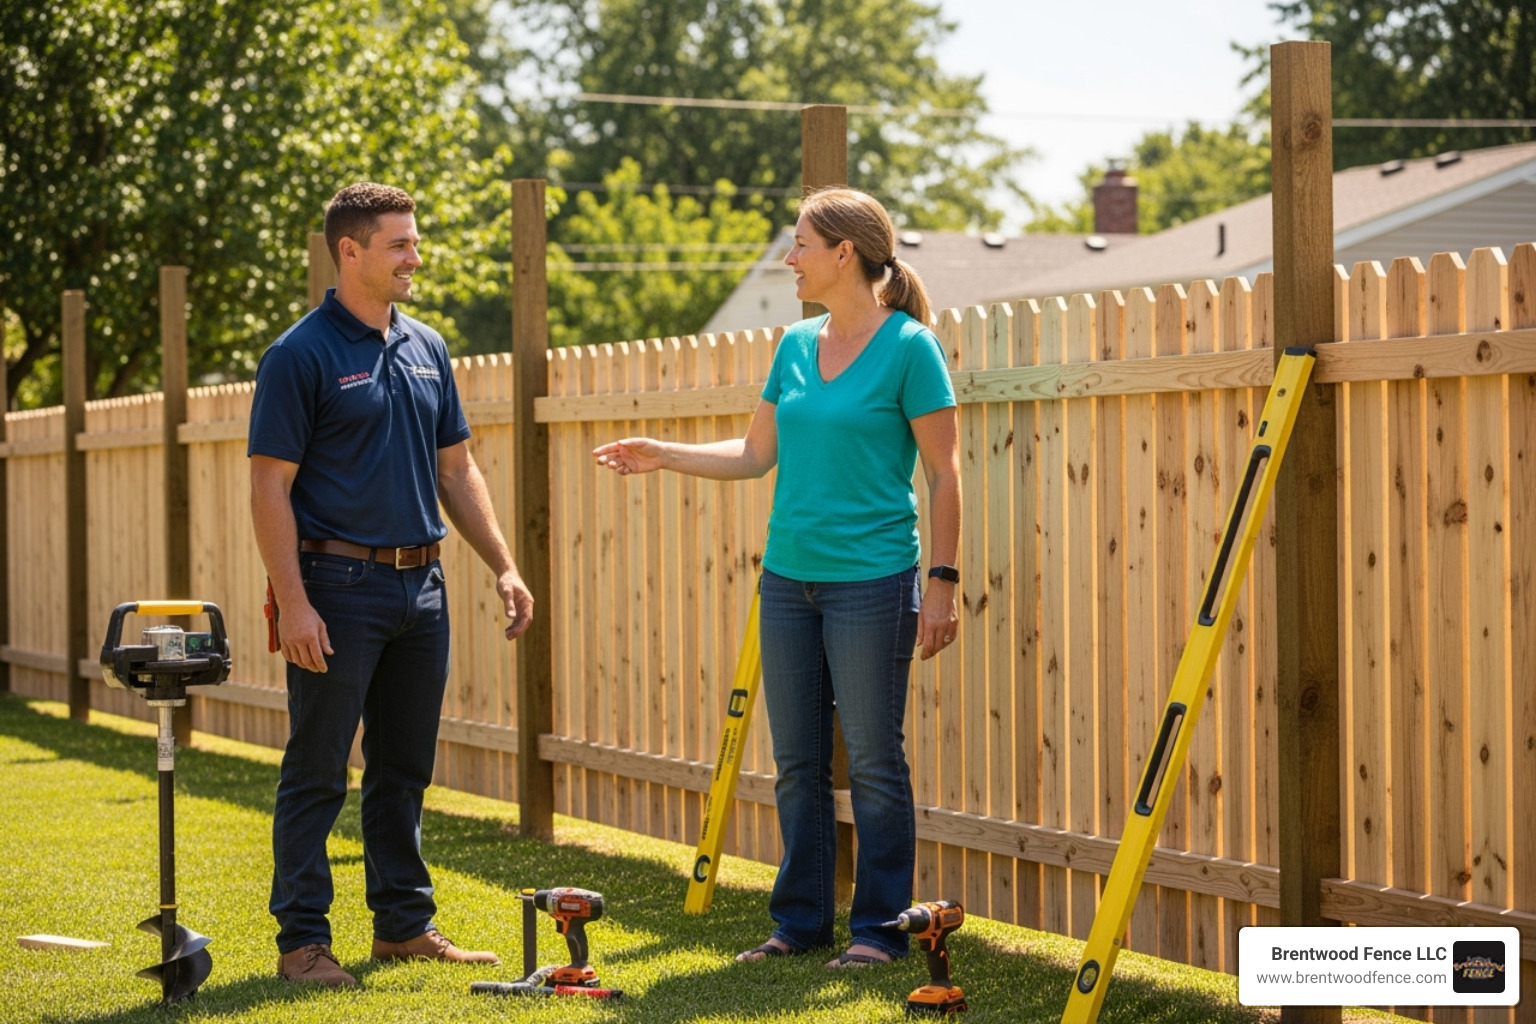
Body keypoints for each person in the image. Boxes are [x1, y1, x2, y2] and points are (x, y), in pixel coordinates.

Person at [593, 186, 960, 969]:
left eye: (799, 244)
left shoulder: (909, 349)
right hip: (788, 581)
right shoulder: (794, 345)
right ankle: (799, 925)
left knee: (871, 759)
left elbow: (945, 473)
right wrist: (666, 454)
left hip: (873, 580)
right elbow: (757, 454)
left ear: (844, 255)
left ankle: (880, 930)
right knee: (796, 761)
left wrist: (943, 583)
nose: (788, 258)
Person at [249, 182, 535, 988]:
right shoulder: (299, 354)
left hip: (423, 588)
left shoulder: (426, 347)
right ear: (351, 250)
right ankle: (302, 943)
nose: (416, 256)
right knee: (316, 770)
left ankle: (403, 926)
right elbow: (269, 486)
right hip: (334, 587)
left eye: (415, 241)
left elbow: (457, 468)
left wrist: (504, 566)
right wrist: (294, 600)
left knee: (404, 767)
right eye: (400, 244)